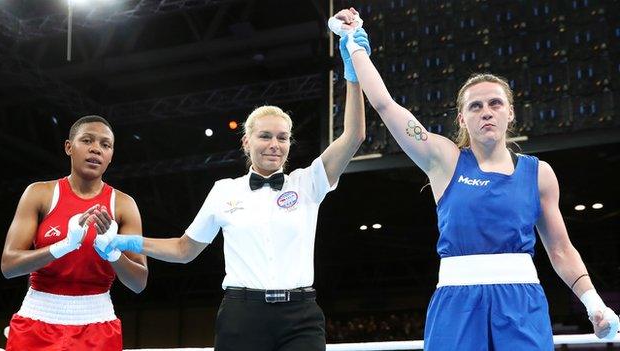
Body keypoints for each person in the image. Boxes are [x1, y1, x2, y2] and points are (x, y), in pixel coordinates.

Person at [330, 8, 619, 350]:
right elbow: (385, 104)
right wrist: (353, 42)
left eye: (495, 103)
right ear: (463, 118)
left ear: (509, 112)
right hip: (457, 303)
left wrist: (593, 302)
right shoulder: (443, 160)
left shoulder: (539, 174)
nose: (486, 111)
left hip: (522, 304)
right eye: (475, 106)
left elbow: (560, 248)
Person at [95, 49, 368, 350]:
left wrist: (352, 71)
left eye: (282, 137)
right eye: (265, 136)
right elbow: (184, 250)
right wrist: (126, 241)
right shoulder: (225, 190)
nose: (274, 145)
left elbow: (354, 135)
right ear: (246, 141)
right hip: (242, 315)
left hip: (300, 316)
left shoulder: (308, 182)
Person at [0, 115, 148, 351]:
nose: (96, 149)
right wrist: (64, 245)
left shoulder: (123, 204)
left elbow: (139, 282)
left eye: (105, 145)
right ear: (69, 147)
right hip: (37, 319)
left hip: (98, 323)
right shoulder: (39, 194)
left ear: (111, 155)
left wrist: (112, 253)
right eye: (87, 140)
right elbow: (9, 266)